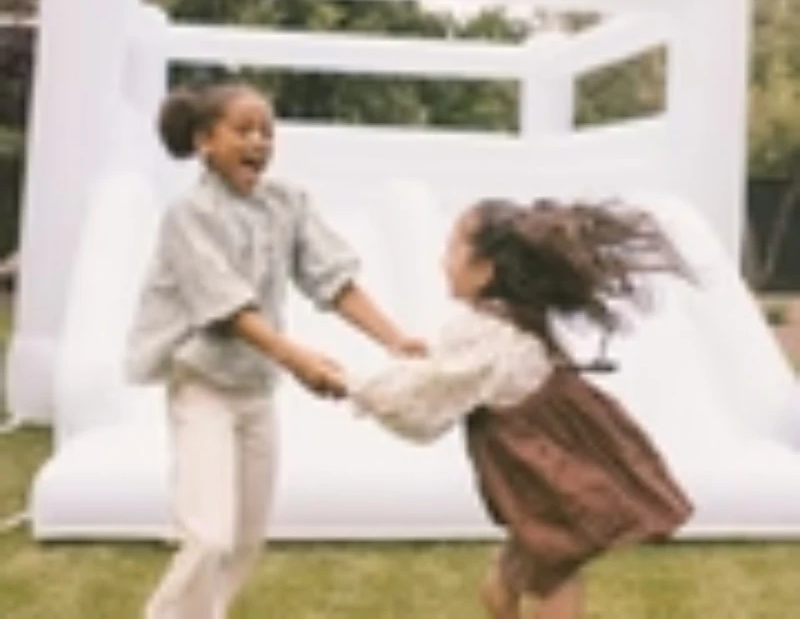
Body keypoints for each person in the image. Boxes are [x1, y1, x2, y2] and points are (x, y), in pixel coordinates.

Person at [125, 82, 423, 619]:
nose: (259, 140)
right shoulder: (188, 215)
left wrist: (395, 339)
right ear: (204, 141)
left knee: (245, 540)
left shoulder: (288, 203)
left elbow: (333, 280)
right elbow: (229, 309)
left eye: (267, 131)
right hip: (203, 389)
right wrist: (301, 360)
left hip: (256, 392)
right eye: (244, 129)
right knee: (209, 537)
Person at [346, 197, 693, 619]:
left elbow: (426, 394)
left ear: (486, 269)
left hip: (547, 470)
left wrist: (352, 385)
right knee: (500, 589)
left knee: (551, 577)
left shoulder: (488, 330)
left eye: (453, 248)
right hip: (553, 457)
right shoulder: (507, 320)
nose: (443, 259)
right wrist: (425, 361)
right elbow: (455, 376)